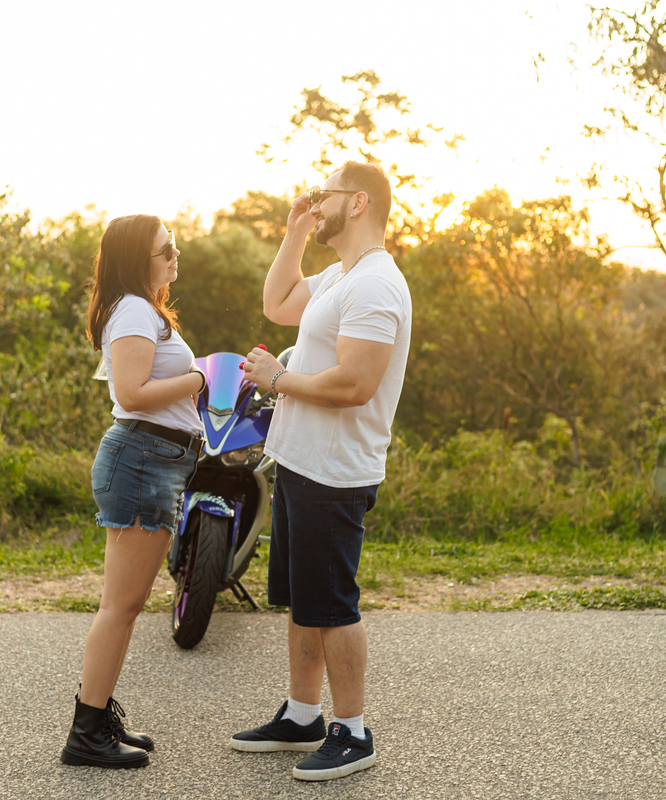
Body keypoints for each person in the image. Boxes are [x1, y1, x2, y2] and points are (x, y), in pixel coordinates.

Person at [235, 161, 412, 781]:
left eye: (326, 195)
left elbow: (357, 383)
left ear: (358, 203)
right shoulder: (341, 275)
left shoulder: (376, 285)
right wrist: (295, 232)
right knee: (304, 601)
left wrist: (277, 379)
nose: (317, 201)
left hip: (336, 472)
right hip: (302, 462)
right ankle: (303, 714)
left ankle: (353, 731)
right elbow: (278, 302)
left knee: (333, 603)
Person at [60, 215, 206, 769]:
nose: (174, 257)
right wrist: (198, 380)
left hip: (153, 460)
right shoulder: (133, 311)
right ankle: (86, 732)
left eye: (174, 247)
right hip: (143, 460)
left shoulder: (142, 310)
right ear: (135, 260)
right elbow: (132, 392)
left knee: (124, 606)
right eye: (164, 250)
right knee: (119, 608)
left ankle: (97, 718)